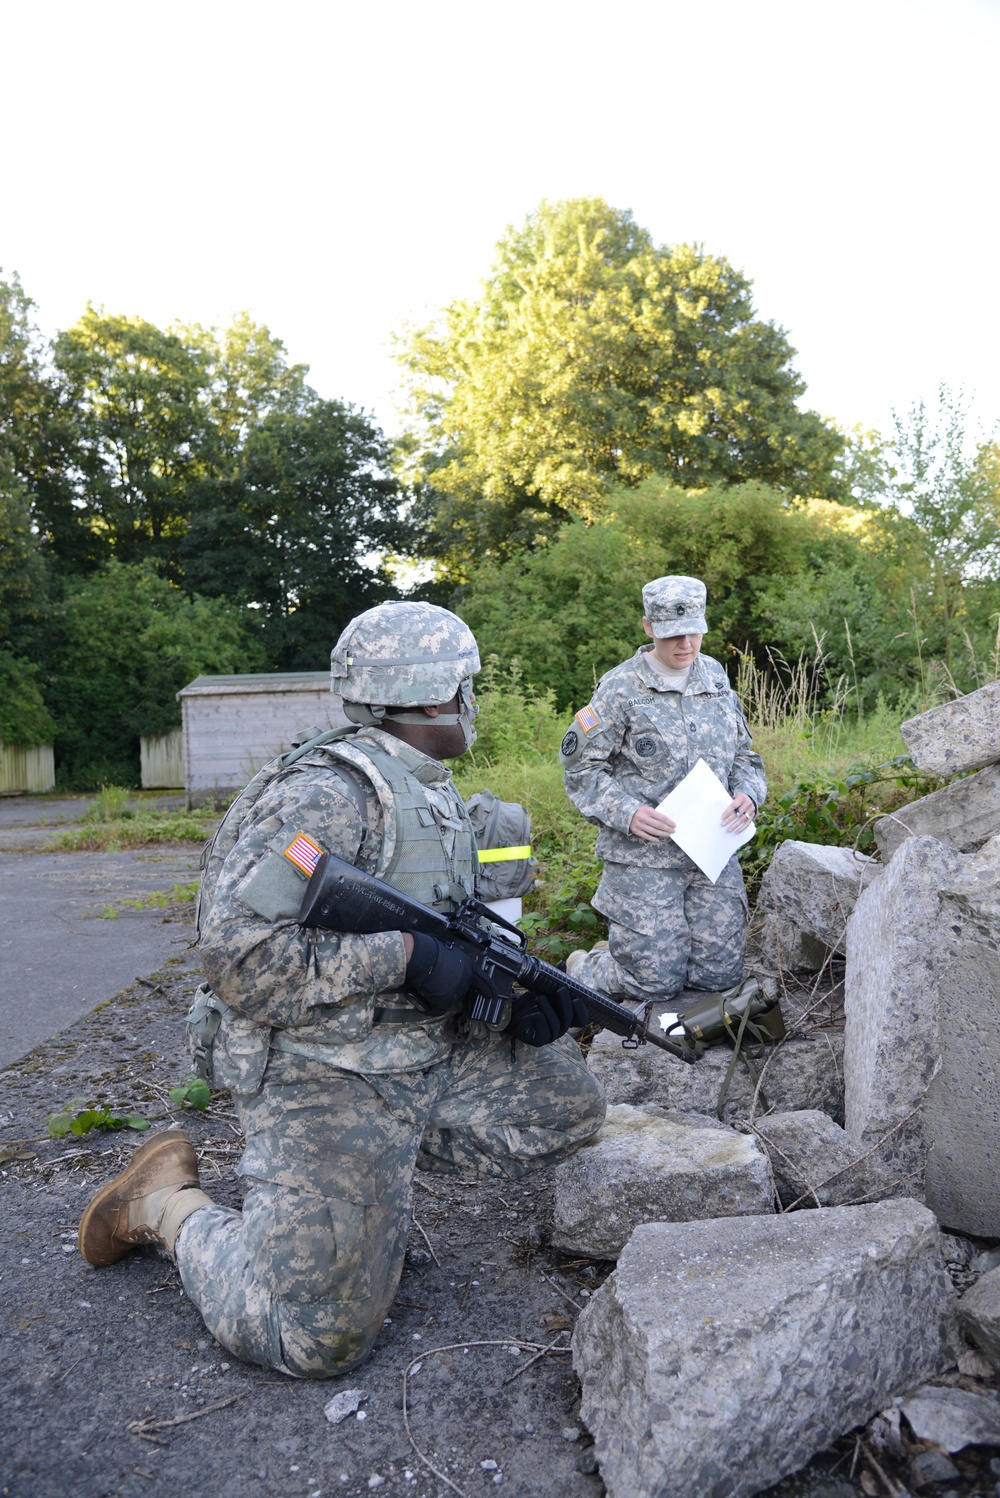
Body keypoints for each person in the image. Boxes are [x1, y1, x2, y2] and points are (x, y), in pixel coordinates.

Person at [77, 601, 605, 1378]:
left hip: (413, 1049)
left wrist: (511, 992)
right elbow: (239, 959)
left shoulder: (425, 785)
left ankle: (362, 1196)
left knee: (569, 1107)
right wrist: (405, 958)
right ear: (432, 696)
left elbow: (454, 919)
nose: (474, 703)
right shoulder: (325, 795)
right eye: (468, 686)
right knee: (315, 1342)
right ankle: (164, 1206)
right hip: (322, 1068)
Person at [560, 575, 766, 1005]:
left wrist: (748, 794)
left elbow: (745, 755)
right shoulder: (618, 689)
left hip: (711, 851)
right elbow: (581, 770)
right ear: (649, 627)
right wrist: (628, 812)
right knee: (654, 984)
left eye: (694, 632)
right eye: (672, 635)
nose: (685, 645)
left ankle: (633, 949)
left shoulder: (714, 677)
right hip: (644, 859)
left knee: (719, 977)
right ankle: (589, 964)